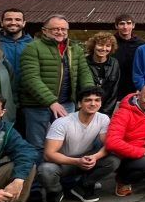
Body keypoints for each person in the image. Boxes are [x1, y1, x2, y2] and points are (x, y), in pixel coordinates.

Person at [20, 15, 94, 150]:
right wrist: (51, 101)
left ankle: (58, 165)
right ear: (45, 31)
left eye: (63, 29)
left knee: (65, 143)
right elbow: (31, 78)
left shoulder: (74, 49)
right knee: (37, 145)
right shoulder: (32, 48)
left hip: (66, 103)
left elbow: (84, 73)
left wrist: (90, 95)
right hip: (37, 106)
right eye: (55, 29)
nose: (60, 32)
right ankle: (36, 164)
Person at [39, 87, 119, 202]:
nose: (93, 103)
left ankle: (82, 187)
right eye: (88, 100)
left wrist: (94, 157)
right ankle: (55, 193)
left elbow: (109, 145)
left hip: (86, 158)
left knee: (113, 160)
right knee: (46, 169)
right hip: (63, 162)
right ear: (79, 104)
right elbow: (48, 154)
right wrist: (76, 161)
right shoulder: (62, 122)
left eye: (97, 100)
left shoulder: (103, 119)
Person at [112, 13, 145, 102]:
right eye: (122, 24)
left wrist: (141, 87)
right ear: (116, 26)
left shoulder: (142, 44)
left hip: (135, 87)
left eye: (128, 23)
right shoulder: (110, 43)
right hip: (114, 88)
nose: (125, 27)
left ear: (133, 25)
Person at [85, 32, 120, 115]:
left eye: (108, 46)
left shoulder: (114, 63)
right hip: (87, 107)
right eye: (100, 45)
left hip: (106, 109)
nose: (104, 49)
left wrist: (106, 113)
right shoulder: (84, 62)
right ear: (93, 46)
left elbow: (114, 91)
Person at [0, 8, 31, 90]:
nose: (13, 22)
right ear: (1, 23)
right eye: (9, 19)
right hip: (0, 90)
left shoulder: (32, 44)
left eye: (18, 20)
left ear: (24, 23)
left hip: (26, 92)